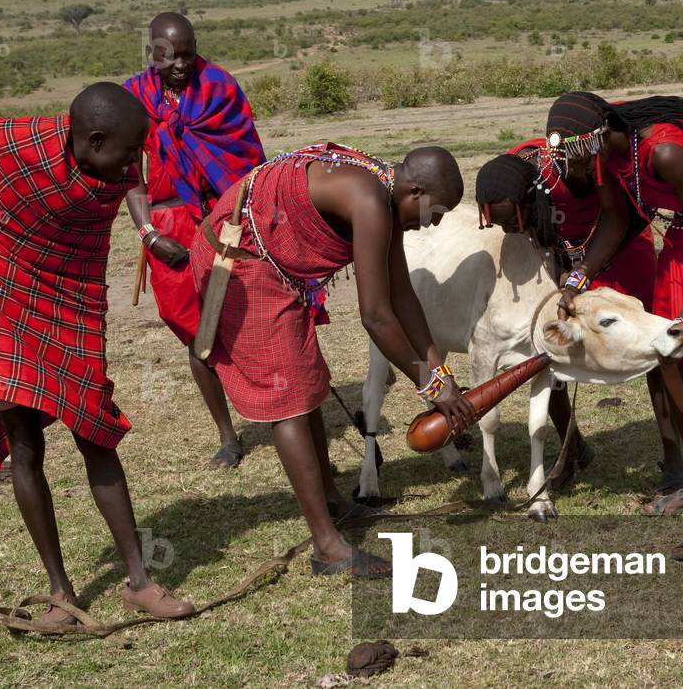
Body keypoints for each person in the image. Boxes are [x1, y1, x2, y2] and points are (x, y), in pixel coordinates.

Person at [0, 83, 195, 624]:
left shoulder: (111, 163)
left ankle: (139, 580)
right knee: (26, 443)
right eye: (129, 151)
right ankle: (61, 592)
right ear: (91, 139)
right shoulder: (15, 145)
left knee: (95, 431)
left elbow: (135, 181)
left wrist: (149, 231)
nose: (137, 163)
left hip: (64, 304)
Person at [190, 142, 476, 576]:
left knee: (308, 384)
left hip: (270, 264)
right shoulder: (370, 200)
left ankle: (332, 504)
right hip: (241, 263)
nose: (431, 225)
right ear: (414, 191)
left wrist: (440, 372)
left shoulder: (387, 191)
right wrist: (431, 387)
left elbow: (403, 298)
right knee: (289, 400)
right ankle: (326, 546)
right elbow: (376, 317)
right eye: (434, 213)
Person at [543, 92, 683, 559]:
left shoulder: (663, 151)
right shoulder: (603, 151)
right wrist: (580, 275)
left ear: (601, 135)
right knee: (666, 354)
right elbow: (616, 217)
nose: (580, 171)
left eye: (581, 158)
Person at [474, 139, 683, 497]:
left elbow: (624, 216)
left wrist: (581, 270)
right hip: (562, 261)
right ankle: (571, 449)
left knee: (655, 345)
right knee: (551, 350)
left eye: (511, 221)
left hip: (622, 252)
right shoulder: (520, 169)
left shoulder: (598, 164)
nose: (506, 230)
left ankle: (675, 461)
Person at [124, 12, 267, 469]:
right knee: (194, 332)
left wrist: (237, 221)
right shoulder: (135, 99)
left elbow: (247, 163)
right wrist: (149, 235)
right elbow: (131, 177)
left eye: (188, 53)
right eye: (170, 57)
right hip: (167, 228)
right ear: (153, 53)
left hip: (225, 218)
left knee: (250, 323)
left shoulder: (220, 89)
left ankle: (280, 409)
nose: (181, 65)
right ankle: (228, 437)